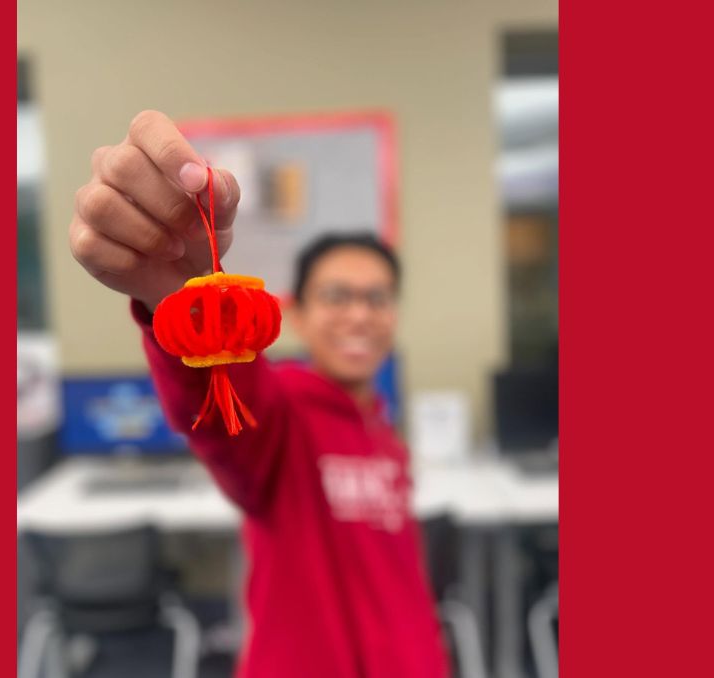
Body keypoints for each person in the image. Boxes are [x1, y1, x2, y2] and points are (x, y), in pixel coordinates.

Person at [70, 110, 449, 678]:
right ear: (300, 311)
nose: (359, 315)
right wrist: (179, 300)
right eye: (337, 295)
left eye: (378, 298)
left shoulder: (385, 433)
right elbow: (226, 411)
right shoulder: (285, 412)